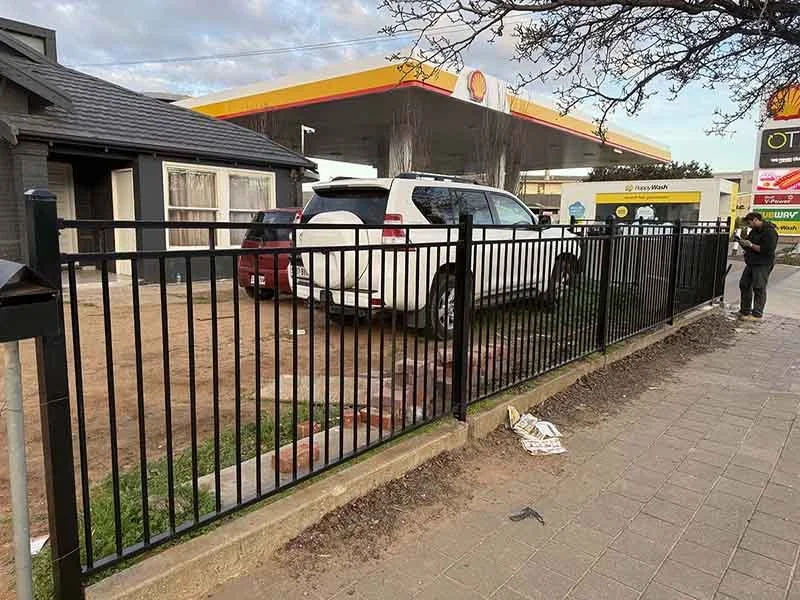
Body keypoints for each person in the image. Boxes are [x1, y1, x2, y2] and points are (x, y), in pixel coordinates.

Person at [738, 212, 778, 320]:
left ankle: (757, 314)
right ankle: (745, 311)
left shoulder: (770, 232)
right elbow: (749, 245)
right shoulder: (754, 231)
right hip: (751, 262)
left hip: (763, 264)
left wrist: (750, 245)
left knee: (759, 287)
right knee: (744, 284)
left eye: (750, 223)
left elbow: (767, 250)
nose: (749, 225)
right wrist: (743, 243)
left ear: (756, 220)